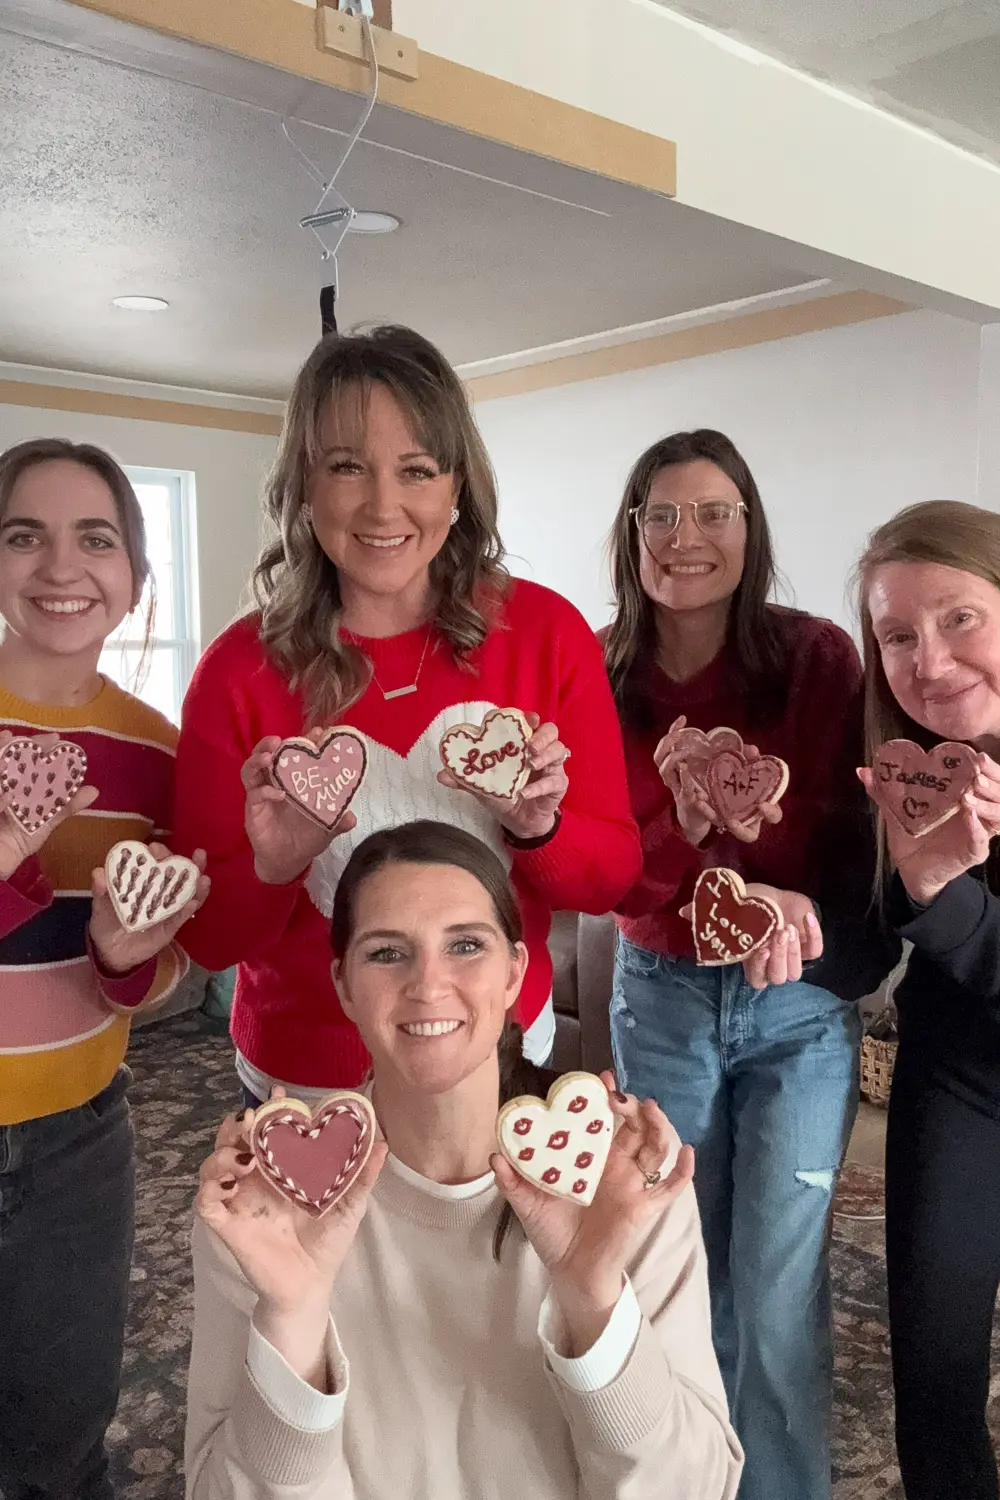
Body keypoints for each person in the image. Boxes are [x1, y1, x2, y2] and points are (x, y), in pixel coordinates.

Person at [186, 819, 743, 1499]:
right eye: (388, 953)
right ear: (343, 986)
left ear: (515, 972)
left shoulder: (623, 1183)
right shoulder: (266, 1209)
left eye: (466, 946)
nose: (428, 984)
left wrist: (594, 1298)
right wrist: (295, 1319)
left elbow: (691, 1488)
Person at [174, 325, 640, 1106]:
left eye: (416, 471)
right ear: (304, 486)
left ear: (457, 489)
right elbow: (210, 937)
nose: (383, 506)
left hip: (495, 1063)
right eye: (347, 467)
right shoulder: (238, 671)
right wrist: (276, 864)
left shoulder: (545, 635)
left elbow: (610, 879)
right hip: (309, 1088)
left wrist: (538, 829)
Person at [602, 429, 894, 1500]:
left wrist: (770, 873)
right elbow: (609, 872)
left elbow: (843, 839)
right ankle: (687, 1478)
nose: (688, 538)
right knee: (674, 1265)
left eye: (714, 513)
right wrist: (686, 844)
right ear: (631, 534)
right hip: (663, 996)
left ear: (748, 528)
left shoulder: (814, 656)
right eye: (662, 515)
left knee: (773, 1286)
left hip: (799, 1007)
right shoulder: (601, 672)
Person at [0, 439, 208, 1500]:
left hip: (79, 1143)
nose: (60, 568)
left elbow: (168, 967)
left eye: (97, 539)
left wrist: (127, 961)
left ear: (134, 576)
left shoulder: (161, 754)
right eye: (23, 535)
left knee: (60, 1441)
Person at [855, 500, 1000, 1500]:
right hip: (951, 1084)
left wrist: (941, 902)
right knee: (935, 1374)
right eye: (897, 635)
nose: (929, 661)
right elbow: (859, 951)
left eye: (957, 618)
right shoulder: (892, 770)